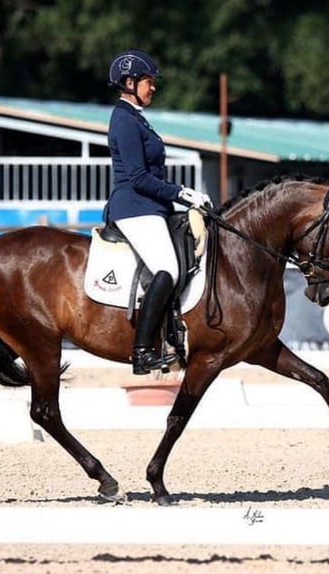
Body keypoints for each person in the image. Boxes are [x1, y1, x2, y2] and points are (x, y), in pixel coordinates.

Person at [105, 49, 212, 375]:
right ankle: (142, 351)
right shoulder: (123, 119)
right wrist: (182, 193)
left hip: (152, 207)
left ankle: (175, 334)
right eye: (149, 82)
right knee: (168, 267)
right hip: (134, 208)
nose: (153, 88)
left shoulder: (137, 117)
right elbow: (138, 177)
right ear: (129, 82)